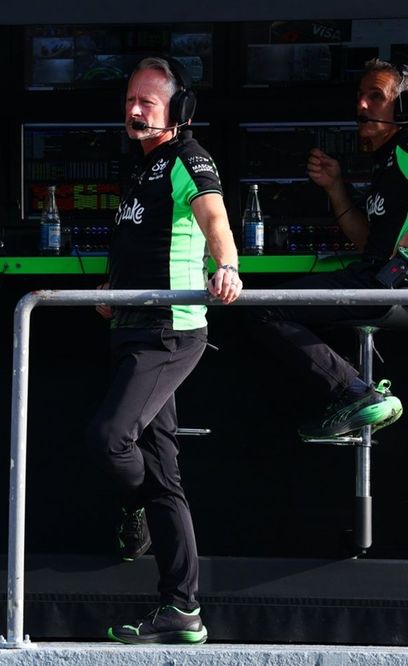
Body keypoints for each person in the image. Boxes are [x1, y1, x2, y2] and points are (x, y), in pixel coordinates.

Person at [89, 57, 242, 645]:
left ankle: (134, 507)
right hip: (132, 329)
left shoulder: (186, 157)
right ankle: (182, 610)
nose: (133, 110)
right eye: (130, 99)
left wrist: (226, 264)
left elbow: (215, 220)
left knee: (109, 439)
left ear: (178, 111)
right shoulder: (144, 166)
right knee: (164, 477)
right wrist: (109, 292)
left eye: (147, 103)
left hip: (168, 332)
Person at [250, 58, 407, 439]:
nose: (363, 106)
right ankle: (357, 393)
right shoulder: (385, 161)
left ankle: (356, 393)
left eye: (376, 97)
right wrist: (336, 187)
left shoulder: (405, 148)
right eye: (360, 97)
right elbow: (367, 241)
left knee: (267, 307)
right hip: (374, 278)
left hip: (390, 286)